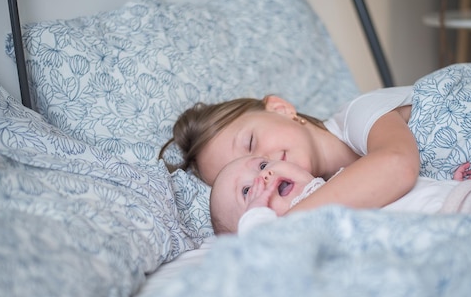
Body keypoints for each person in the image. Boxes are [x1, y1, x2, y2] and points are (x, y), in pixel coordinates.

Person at [160, 87, 422, 215]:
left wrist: (285, 226)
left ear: (280, 109)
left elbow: (397, 165)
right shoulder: (340, 194)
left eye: (251, 144)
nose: (266, 169)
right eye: (250, 183)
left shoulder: (358, 115)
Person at [210, 155, 471, 235]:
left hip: (467, 196)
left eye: (261, 166)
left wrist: (444, 182)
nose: (265, 177)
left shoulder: (338, 179)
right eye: (247, 191)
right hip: (457, 221)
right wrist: (256, 217)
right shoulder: (303, 225)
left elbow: (401, 191)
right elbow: (262, 246)